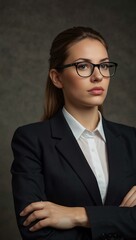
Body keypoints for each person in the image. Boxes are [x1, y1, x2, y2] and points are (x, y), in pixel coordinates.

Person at [11, 26, 136, 240]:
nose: (98, 76)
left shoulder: (132, 139)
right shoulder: (31, 140)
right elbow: (36, 232)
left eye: (104, 65)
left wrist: (77, 215)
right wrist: (121, 219)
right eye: (83, 66)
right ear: (57, 78)